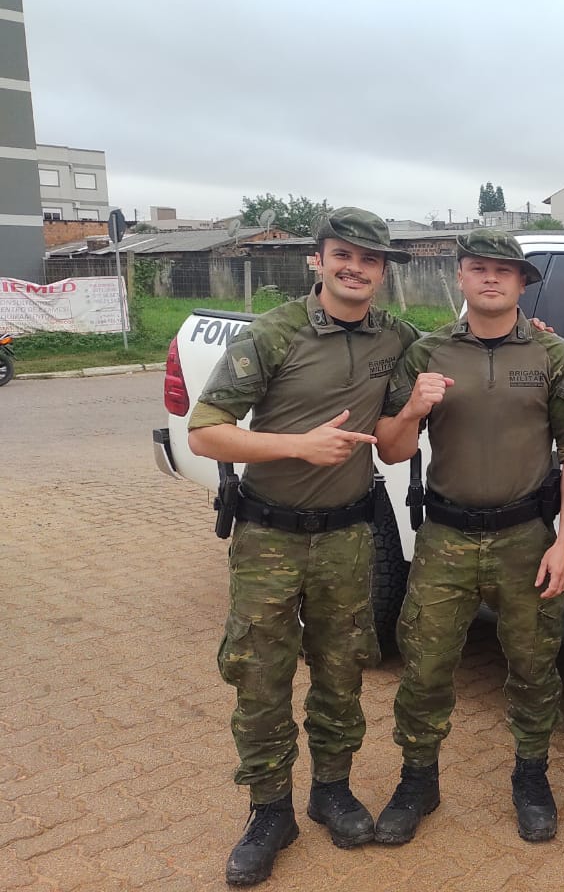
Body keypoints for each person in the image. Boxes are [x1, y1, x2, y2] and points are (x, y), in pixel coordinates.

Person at [187, 208, 420, 887]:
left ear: (382, 272)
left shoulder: (397, 338)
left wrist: (540, 333)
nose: (356, 267)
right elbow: (206, 431)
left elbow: (454, 356)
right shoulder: (275, 334)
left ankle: (332, 790)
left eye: (370, 259)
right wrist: (298, 445)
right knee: (259, 677)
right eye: (343, 254)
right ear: (317, 259)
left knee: (344, 671)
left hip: (348, 536)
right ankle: (268, 812)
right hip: (269, 535)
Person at [372, 228, 564, 847]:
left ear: (523, 282)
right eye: (478, 268)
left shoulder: (554, 357)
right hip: (445, 536)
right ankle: (418, 780)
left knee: (534, 665)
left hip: (527, 534)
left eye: (505, 270)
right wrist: (414, 409)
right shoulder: (427, 353)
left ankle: (531, 777)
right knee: (424, 666)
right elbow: (391, 451)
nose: (491, 279)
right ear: (461, 278)